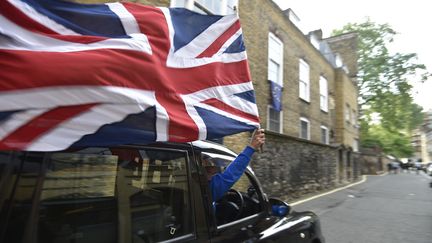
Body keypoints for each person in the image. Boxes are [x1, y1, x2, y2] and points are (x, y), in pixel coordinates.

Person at [203, 129, 265, 202]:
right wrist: (251, 148)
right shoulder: (206, 189)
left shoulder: (192, 187)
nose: (215, 170)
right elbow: (231, 174)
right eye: (208, 166)